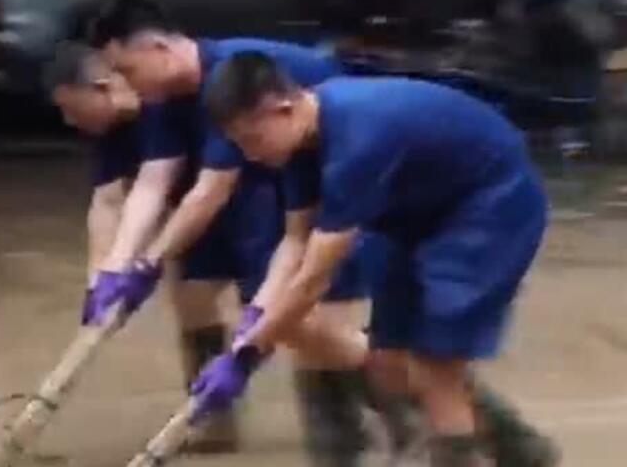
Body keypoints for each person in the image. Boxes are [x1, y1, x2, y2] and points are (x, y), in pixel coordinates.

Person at [191, 52, 560, 467]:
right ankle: (522, 451)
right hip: (413, 215)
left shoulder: (356, 141)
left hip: (488, 204)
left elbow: (313, 280)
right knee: (387, 362)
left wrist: (247, 354)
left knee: (435, 365)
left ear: (283, 108)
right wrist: (257, 314)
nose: (251, 157)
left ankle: (458, 456)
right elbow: (295, 241)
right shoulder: (298, 146)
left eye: (252, 141)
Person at [80, 0, 383, 464]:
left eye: (129, 70)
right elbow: (153, 180)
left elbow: (211, 189)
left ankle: (372, 432)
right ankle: (222, 419)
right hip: (272, 180)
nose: (129, 86)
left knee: (310, 324)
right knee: (209, 290)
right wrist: (119, 267)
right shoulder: (165, 100)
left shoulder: (231, 78)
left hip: (338, 173)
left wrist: (149, 262)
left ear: (158, 47)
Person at [45, 41, 274, 452]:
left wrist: (137, 263)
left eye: (72, 108)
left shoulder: (160, 103)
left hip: (246, 189)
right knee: (191, 296)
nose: (68, 120)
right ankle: (212, 420)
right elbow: (109, 200)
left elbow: (155, 186)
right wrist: (99, 280)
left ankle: (374, 412)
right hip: (194, 204)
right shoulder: (110, 131)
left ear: (102, 86)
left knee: (294, 321)